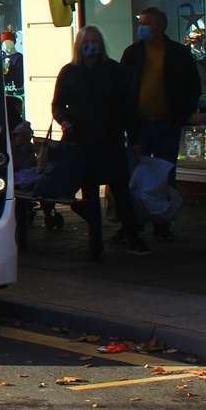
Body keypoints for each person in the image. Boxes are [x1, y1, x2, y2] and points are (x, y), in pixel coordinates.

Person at [51, 25, 147, 257]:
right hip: (81, 141)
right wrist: (64, 121)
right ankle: (95, 242)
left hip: (109, 139)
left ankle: (132, 236)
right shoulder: (69, 72)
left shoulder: (114, 70)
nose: (90, 48)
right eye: (86, 43)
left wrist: (134, 137)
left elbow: (127, 107)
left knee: (120, 190)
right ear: (79, 46)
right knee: (90, 193)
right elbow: (57, 104)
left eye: (94, 42)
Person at [120, 6, 201, 239]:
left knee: (165, 174)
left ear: (160, 26)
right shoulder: (133, 53)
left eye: (146, 24)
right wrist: (130, 127)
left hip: (167, 123)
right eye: (140, 23)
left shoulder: (178, 53)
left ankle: (162, 222)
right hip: (140, 124)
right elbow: (125, 91)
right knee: (135, 175)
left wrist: (180, 115)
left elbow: (192, 87)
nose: (142, 28)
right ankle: (134, 222)